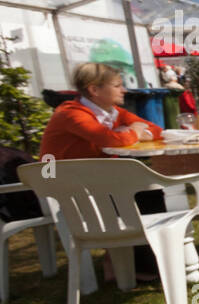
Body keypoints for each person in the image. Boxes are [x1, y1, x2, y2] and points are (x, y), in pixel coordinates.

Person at [40, 62, 166, 280]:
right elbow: (109, 139)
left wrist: (133, 132)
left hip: (95, 181)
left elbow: (155, 129)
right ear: (94, 90)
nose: (123, 90)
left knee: (147, 190)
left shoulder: (112, 112)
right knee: (144, 193)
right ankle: (137, 265)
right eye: (117, 85)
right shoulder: (71, 113)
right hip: (64, 188)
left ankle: (129, 262)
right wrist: (133, 133)